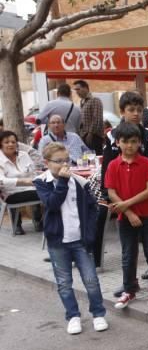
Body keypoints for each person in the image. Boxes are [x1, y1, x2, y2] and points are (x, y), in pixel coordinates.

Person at [34, 142, 108, 335]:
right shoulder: (42, 182)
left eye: (66, 160)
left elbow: (93, 207)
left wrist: (90, 232)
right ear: (47, 162)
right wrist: (64, 182)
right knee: (64, 282)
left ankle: (98, 313)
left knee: (91, 279)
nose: (64, 164)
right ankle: (73, 316)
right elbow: (52, 204)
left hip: (80, 240)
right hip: (58, 242)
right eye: (58, 161)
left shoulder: (80, 182)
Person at [99, 91, 148, 294]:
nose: (136, 114)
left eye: (139, 109)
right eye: (131, 110)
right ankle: (129, 283)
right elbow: (108, 167)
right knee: (128, 249)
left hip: (147, 197)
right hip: (121, 198)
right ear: (122, 112)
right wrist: (107, 196)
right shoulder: (113, 136)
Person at [105, 122, 148, 310]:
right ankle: (129, 289)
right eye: (125, 141)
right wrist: (128, 213)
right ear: (117, 143)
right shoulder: (113, 165)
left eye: (133, 141)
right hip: (125, 218)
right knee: (128, 255)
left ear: (139, 143)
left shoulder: (147, 163)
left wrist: (126, 204)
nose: (129, 145)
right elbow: (112, 192)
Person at [0, 130, 43, 234]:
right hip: (10, 192)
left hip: (31, 188)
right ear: (0, 144)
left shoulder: (23, 155)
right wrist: (23, 181)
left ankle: (39, 220)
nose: (11, 144)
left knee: (45, 190)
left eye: (13, 142)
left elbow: (32, 173)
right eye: (6, 142)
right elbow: (2, 181)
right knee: (44, 193)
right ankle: (19, 224)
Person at [72, 80, 105, 155]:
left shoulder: (95, 100)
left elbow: (97, 119)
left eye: (78, 89)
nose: (77, 92)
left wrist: (91, 133)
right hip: (84, 135)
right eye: (75, 90)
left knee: (96, 156)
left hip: (94, 136)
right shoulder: (82, 102)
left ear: (86, 88)